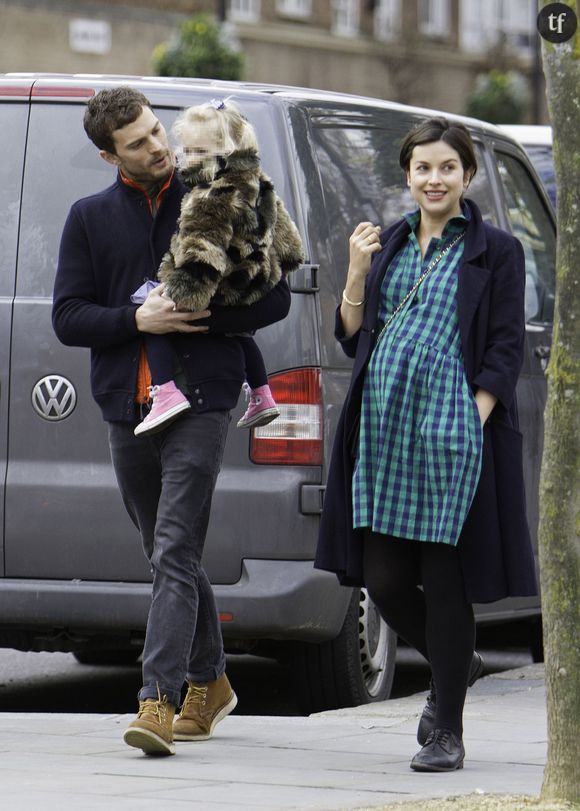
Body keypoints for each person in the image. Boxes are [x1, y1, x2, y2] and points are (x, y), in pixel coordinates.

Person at [52, 87, 292, 756]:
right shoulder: (89, 217)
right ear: (110, 155)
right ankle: (212, 680)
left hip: (203, 396)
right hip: (126, 406)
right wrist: (137, 319)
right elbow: (67, 316)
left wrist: (199, 314)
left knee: (176, 547)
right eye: (139, 142)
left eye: (158, 132)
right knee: (166, 551)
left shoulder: (215, 195)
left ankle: (157, 698)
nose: (158, 147)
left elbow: (273, 297)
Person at [314, 117, 537, 772]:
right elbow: (354, 335)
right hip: (384, 431)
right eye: (423, 168)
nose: (434, 178)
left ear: (467, 176)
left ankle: (447, 728)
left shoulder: (496, 250)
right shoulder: (387, 245)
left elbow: (504, 344)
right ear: (407, 176)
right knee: (381, 579)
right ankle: (453, 662)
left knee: (445, 579)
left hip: (452, 434)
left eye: (447, 167)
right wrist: (356, 270)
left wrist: (474, 415)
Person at [132, 98, 304, 437]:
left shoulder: (208, 196)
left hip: (218, 284)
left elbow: (202, 252)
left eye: (197, 152)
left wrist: (179, 297)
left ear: (224, 154)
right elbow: (288, 242)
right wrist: (280, 262)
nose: (184, 157)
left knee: (153, 313)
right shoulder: (257, 181)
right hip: (254, 281)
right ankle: (261, 393)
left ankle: (165, 393)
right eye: (186, 149)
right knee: (239, 334)